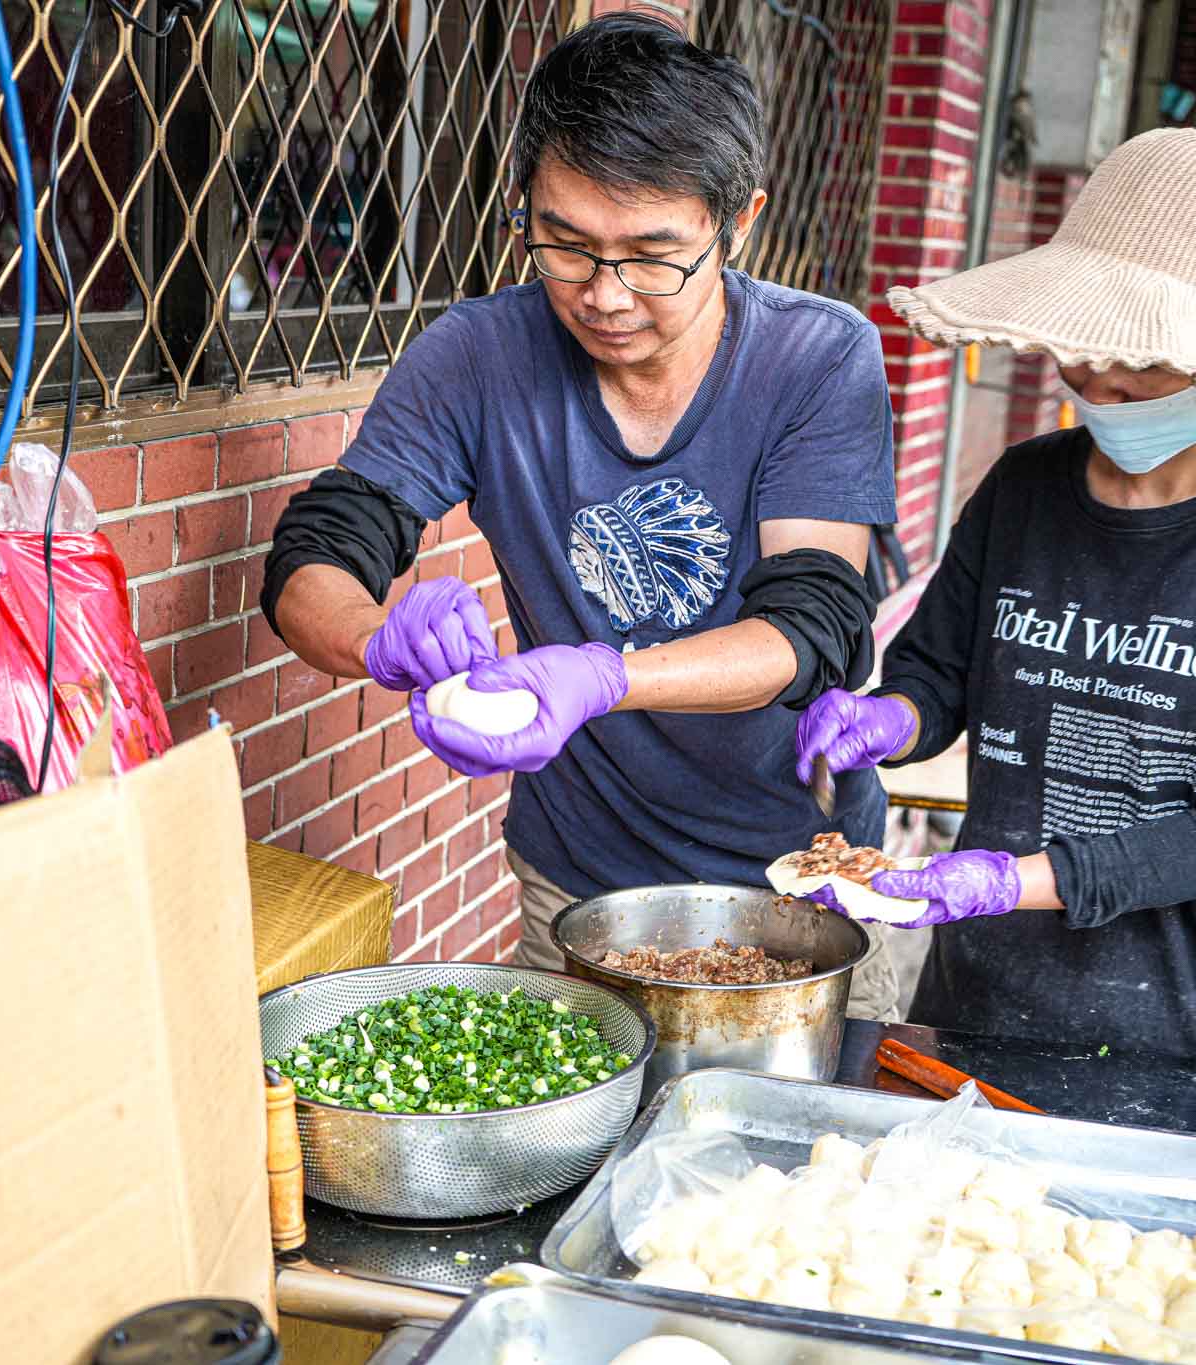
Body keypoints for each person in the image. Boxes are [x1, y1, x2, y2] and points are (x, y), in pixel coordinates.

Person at [793, 93, 1196, 1072]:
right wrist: (890, 720)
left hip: (1192, 1043)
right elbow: (937, 678)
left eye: (1131, 380)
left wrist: (1004, 879)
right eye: (1079, 372)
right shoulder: (1025, 489)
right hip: (977, 1009)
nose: (1095, 395)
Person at [258, 12, 896, 968]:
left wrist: (603, 677)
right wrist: (375, 639)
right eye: (563, 243)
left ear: (739, 222)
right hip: (574, 877)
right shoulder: (477, 355)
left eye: (651, 254)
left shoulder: (818, 357)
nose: (604, 293)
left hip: (798, 879)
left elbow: (809, 627)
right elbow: (317, 551)